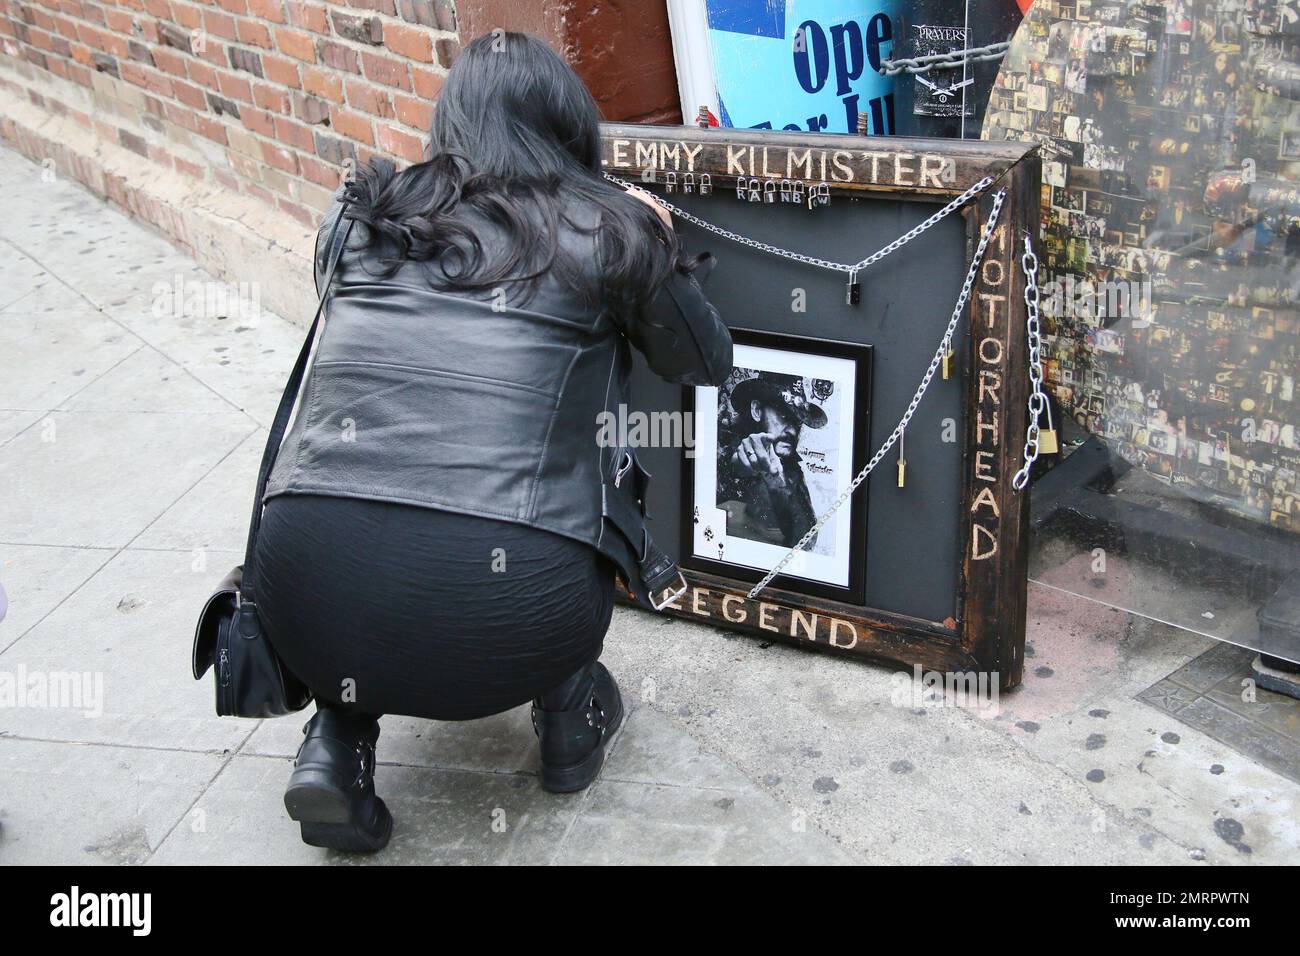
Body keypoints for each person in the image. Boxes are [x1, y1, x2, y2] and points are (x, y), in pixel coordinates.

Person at [253, 31, 732, 852]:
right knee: (575, 465)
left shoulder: (363, 211)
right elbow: (703, 362)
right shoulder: (608, 228)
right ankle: (568, 719)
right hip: (512, 616)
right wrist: (653, 242)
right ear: (568, 122)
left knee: (367, 496)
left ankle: (334, 743)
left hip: (297, 591)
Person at [716, 374, 825, 549]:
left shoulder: (791, 469)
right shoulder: (719, 450)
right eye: (783, 415)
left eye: (797, 423)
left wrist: (778, 482)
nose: (792, 431)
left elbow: (807, 541)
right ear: (757, 410)